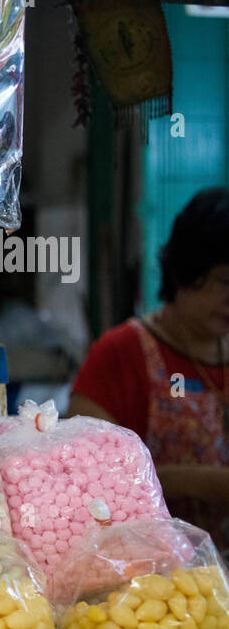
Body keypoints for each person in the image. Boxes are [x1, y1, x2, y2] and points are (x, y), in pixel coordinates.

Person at [69, 186, 229, 551]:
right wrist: (204, 483)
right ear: (189, 269)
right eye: (225, 282)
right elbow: (86, 477)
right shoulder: (121, 354)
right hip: (153, 572)